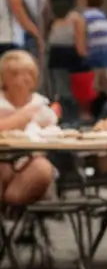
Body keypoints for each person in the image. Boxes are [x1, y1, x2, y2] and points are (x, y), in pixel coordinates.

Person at [0, 49, 57, 207]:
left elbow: (53, 132)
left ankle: (13, 207)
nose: (24, 79)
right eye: (16, 74)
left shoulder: (41, 106)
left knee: (42, 168)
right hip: (2, 159)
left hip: (30, 161)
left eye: (29, 74)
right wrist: (20, 118)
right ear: (4, 79)